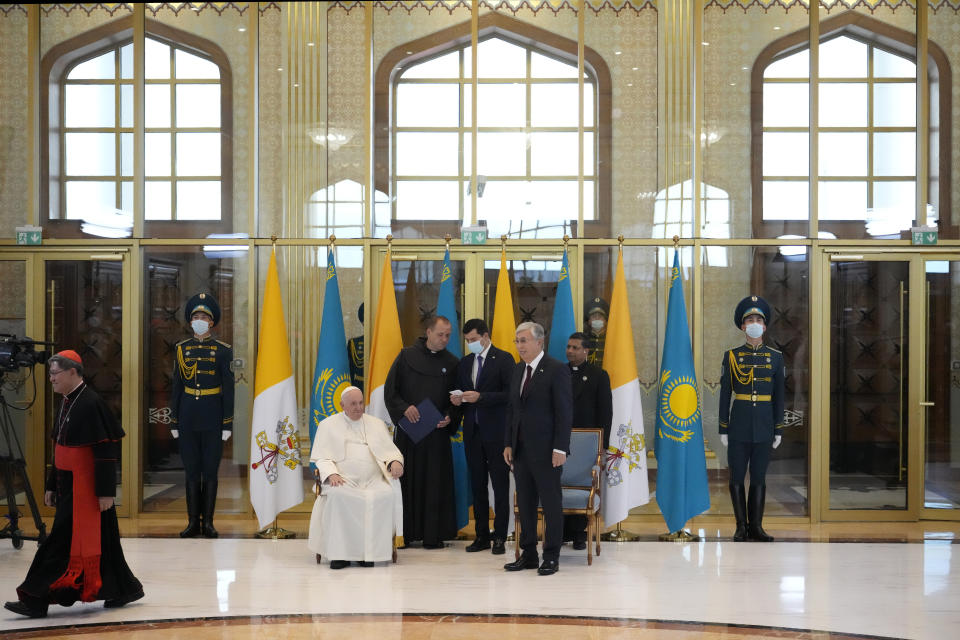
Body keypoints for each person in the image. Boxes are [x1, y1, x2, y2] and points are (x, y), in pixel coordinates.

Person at [4, 351, 143, 618]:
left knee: (58, 542)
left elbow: (105, 451)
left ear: (72, 372)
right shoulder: (67, 401)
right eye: (50, 374)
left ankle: (34, 598)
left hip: (87, 489)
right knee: (106, 539)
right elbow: (59, 448)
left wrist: (105, 492)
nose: (51, 379)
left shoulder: (91, 403)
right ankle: (124, 589)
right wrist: (51, 485)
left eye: (55, 373)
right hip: (68, 483)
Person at [384, 315, 463, 549]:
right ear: (428, 332)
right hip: (410, 435)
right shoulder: (406, 356)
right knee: (408, 481)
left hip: (437, 435)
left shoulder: (452, 362)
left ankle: (433, 535)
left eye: (448, 335)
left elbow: (457, 397)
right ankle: (405, 534)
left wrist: (450, 415)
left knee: (435, 483)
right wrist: (404, 408)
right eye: (440, 334)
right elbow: (391, 392)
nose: (445, 339)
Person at [308, 386, 404, 569]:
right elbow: (322, 457)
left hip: (374, 479)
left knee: (384, 495)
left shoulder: (376, 424)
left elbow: (391, 452)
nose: (358, 407)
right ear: (341, 405)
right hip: (344, 479)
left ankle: (368, 555)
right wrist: (332, 473)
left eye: (361, 403)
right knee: (338, 496)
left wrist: (395, 462)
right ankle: (340, 556)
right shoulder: (327, 425)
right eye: (353, 404)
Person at [503, 322, 572, 576]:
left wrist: (560, 448)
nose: (520, 346)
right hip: (520, 451)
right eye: (517, 341)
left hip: (547, 451)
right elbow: (512, 409)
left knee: (551, 504)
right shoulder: (518, 369)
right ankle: (528, 554)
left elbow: (564, 413)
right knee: (526, 504)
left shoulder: (556, 370)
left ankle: (551, 556)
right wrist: (508, 443)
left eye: (524, 340)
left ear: (539, 342)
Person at [719, 295, 784, 542]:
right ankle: (740, 526)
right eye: (750, 320)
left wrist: (778, 428)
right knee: (736, 477)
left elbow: (779, 396)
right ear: (743, 326)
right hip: (739, 425)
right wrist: (723, 428)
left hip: (765, 425)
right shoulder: (732, 356)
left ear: (765, 326)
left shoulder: (775, 357)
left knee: (759, 477)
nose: (754, 323)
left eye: (759, 319)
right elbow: (726, 394)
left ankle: (756, 526)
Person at [169, 293, 234, 539]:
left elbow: (229, 389)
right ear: (190, 320)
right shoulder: (181, 349)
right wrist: (174, 419)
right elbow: (176, 387)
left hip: (212, 416)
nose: (199, 319)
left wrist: (227, 423)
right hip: (188, 415)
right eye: (195, 316)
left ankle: (208, 523)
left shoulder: (223, 351)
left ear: (212, 322)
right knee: (191, 472)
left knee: (210, 472)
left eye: (203, 317)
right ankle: (191, 523)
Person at [450, 318, 514, 555]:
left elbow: (510, 395)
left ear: (486, 336)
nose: (470, 344)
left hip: (497, 433)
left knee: (499, 486)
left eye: (474, 340)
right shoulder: (465, 363)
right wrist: (457, 400)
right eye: (467, 341)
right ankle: (481, 536)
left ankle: (500, 536)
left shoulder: (504, 359)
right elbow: (461, 392)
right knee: (477, 485)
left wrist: (481, 397)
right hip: (473, 433)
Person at [563, 332, 612, 550]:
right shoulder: (558, 372)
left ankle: (579, 533)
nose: (570, 351)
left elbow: (605, 412)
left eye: (575, 347)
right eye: (568, 347)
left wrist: (603, 445)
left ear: (586, 351)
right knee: (560, 482)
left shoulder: (598, 375)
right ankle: (560, 530)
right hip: (561, 439)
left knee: (582, 482)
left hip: (587, 441)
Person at [584, 297, 608, 366]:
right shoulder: (583, 339)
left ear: (605, 321)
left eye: (600, 316)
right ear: (588, 321)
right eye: (594, 316)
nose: (597, 319)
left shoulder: (611, 340)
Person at [347, 302, 364, 392]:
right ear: (362, 322)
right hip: (359, 389)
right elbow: (350, 371)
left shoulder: (384, 345)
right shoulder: (353, 344)